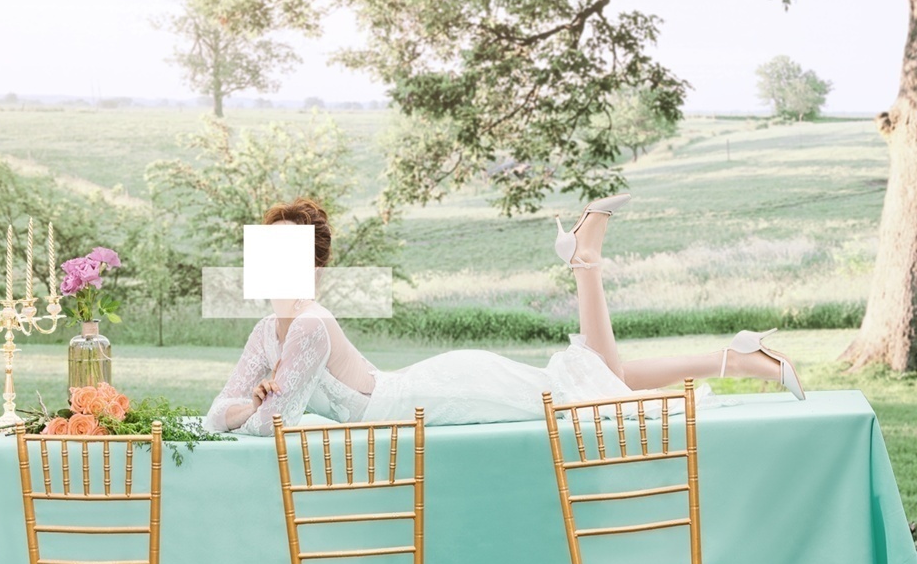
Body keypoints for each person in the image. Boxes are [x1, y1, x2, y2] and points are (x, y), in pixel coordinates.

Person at [205, 196, 804, 436]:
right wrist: (249, 406)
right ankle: (590, 262)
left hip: (438, 395)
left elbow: (269, 424)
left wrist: (255, 406)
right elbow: (217, 413)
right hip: (422, 391)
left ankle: (591, 262)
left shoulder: (309, 323)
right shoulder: (268, 329)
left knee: (587, 398)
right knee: (594, 377)